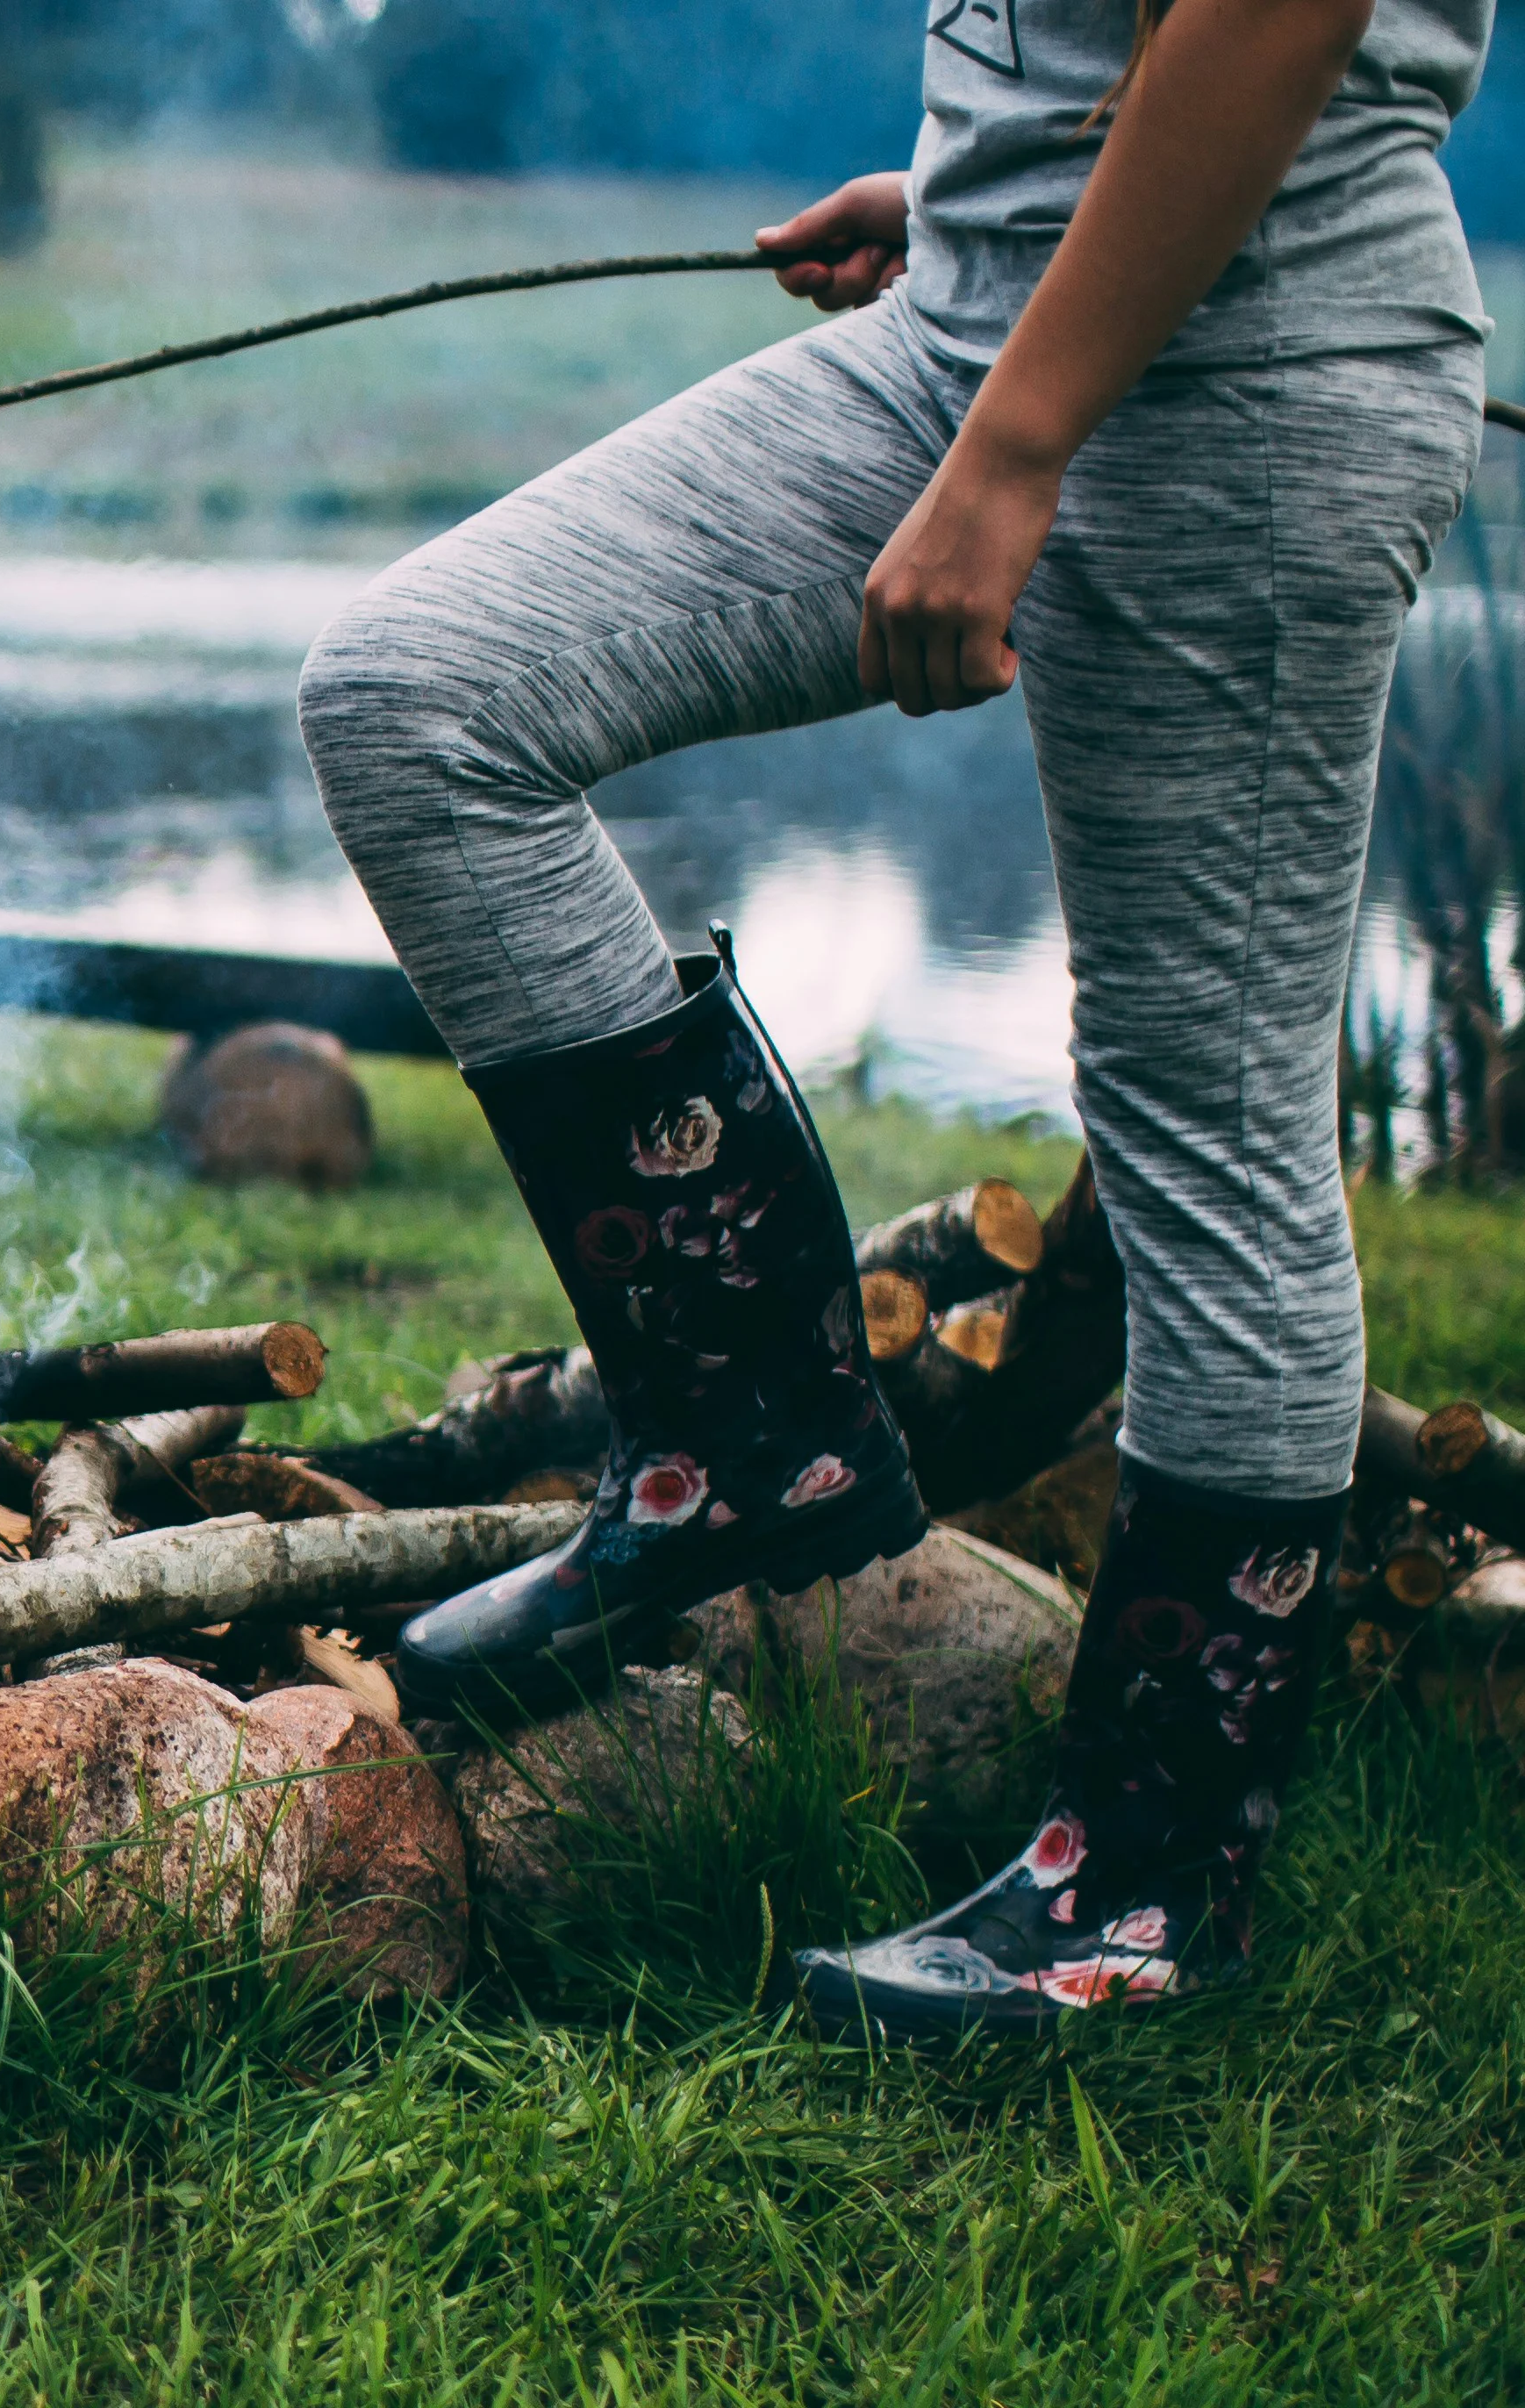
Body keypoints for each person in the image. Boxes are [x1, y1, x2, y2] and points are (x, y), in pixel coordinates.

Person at [298, 0, 1485, 2036]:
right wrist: (984, 201)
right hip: (990, 327)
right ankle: (743, 1446)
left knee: (1209, 1134)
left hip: (1244, 376)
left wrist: (1020, 439)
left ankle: (1144, 1884)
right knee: (423, 697)